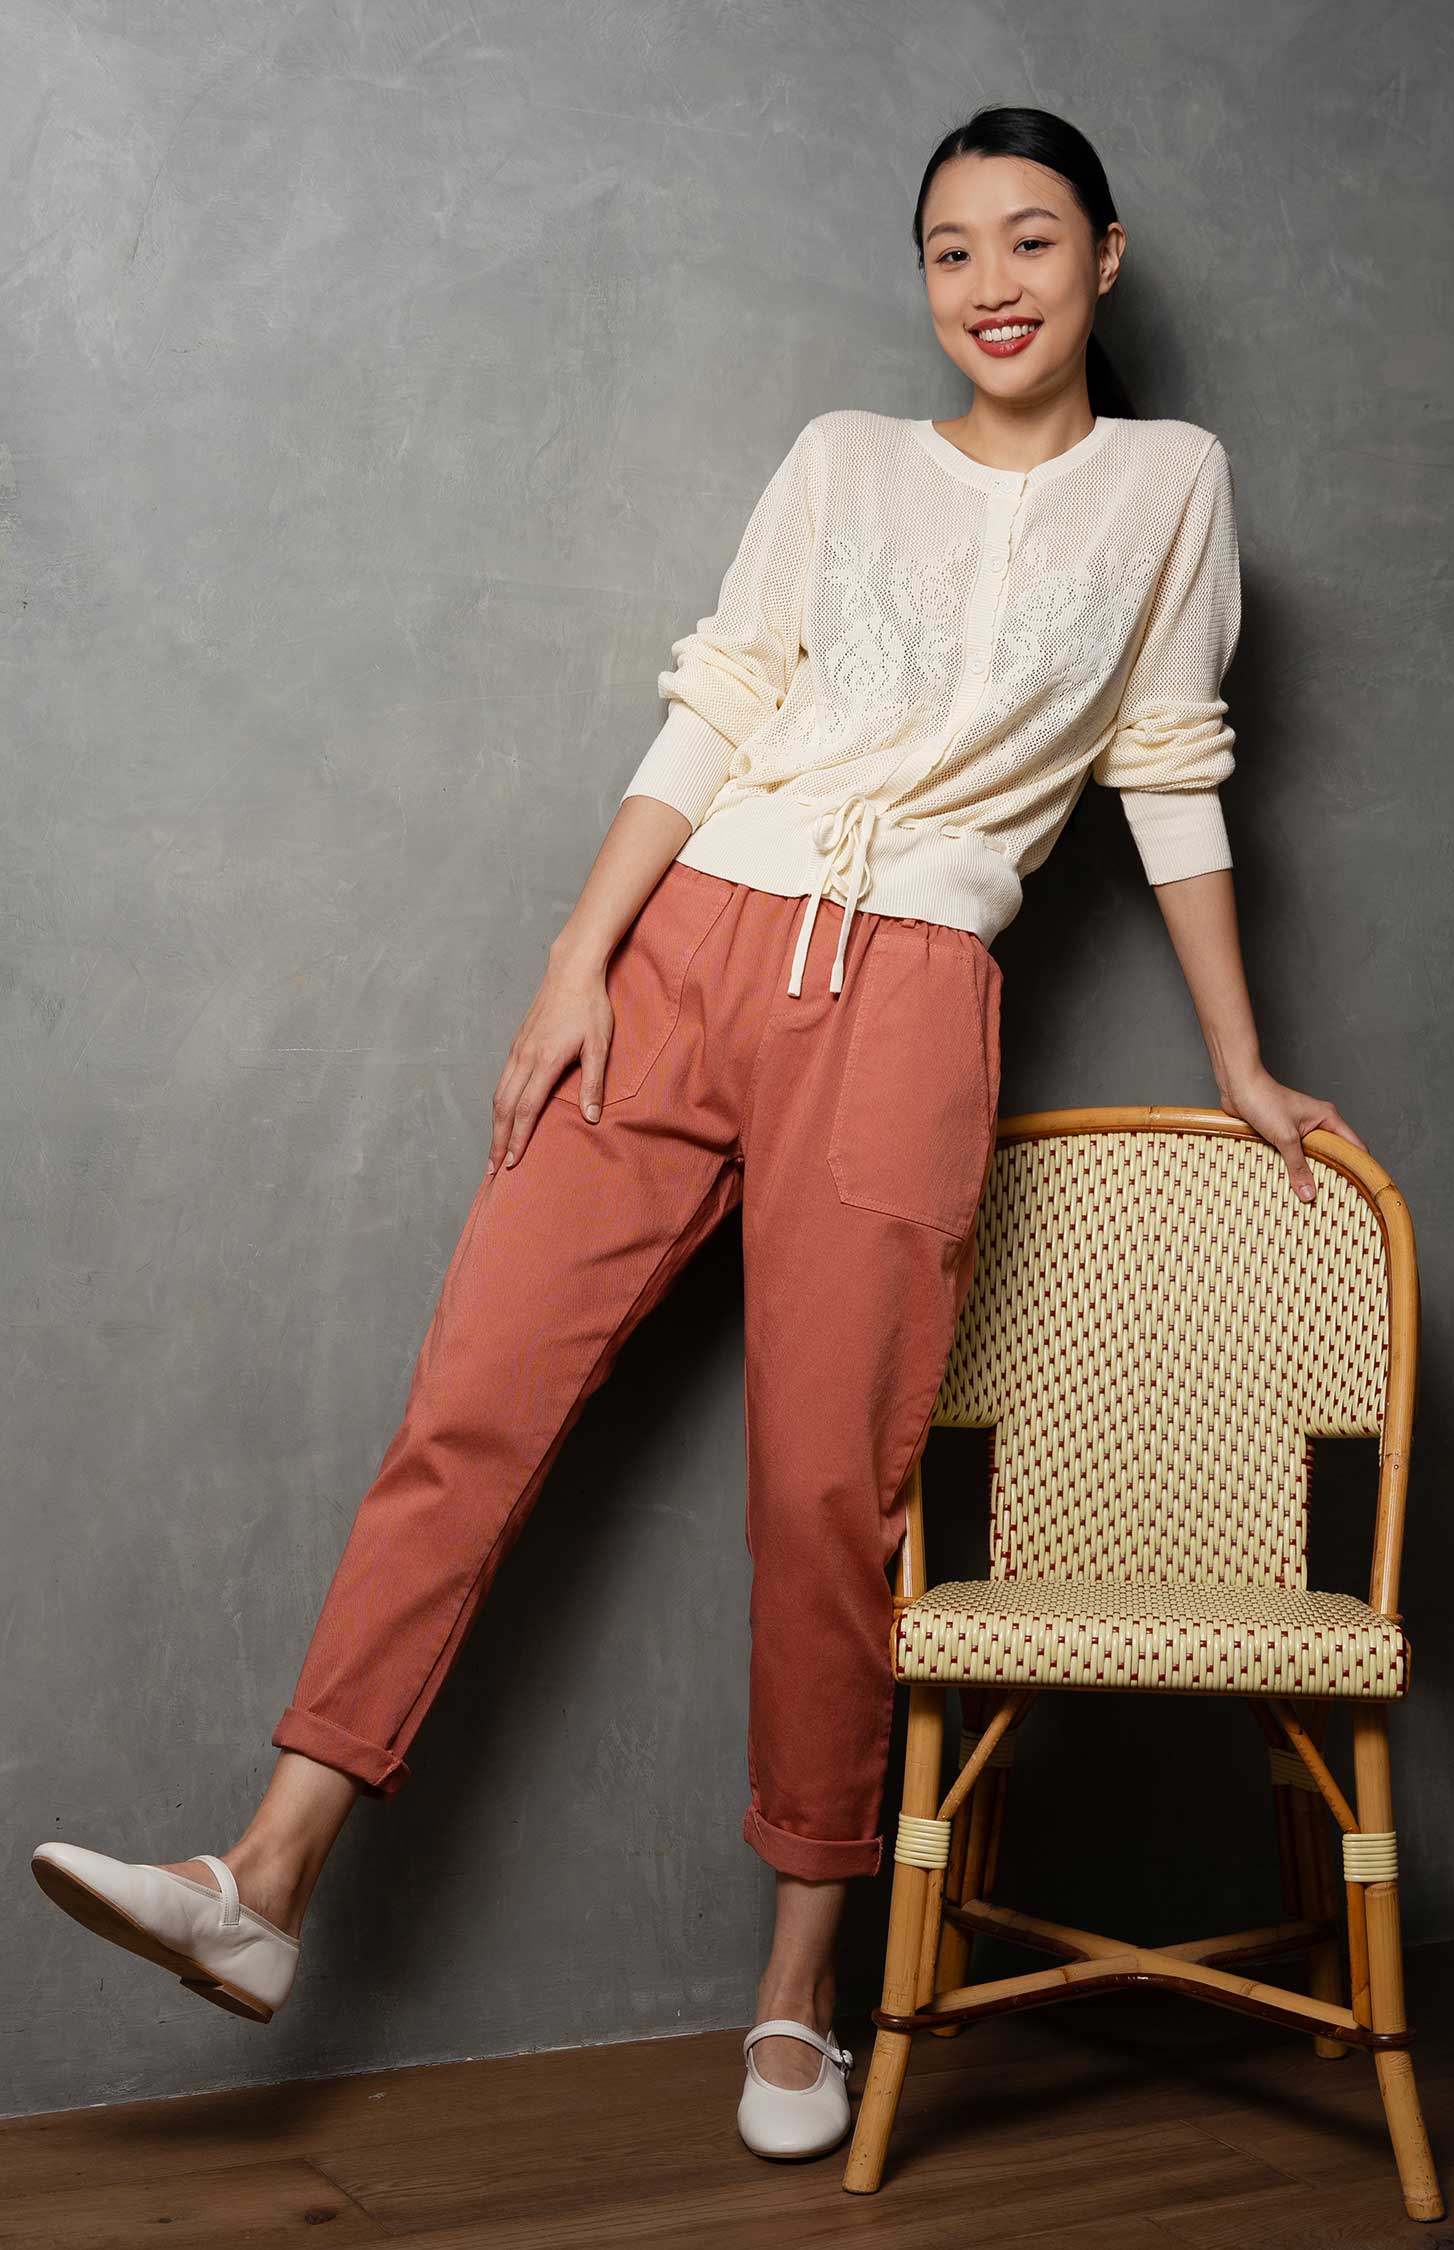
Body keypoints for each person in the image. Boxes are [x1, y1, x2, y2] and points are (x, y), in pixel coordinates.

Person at [32, 103, 1367, 2162]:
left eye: (1029, 239)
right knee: (468, 1408)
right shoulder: (839, 459)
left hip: (907, 1003)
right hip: (685, 957)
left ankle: (792, 1995)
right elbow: (721, 705)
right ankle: (263, 1878)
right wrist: (578, 960)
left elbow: (1167, 767)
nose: (989, 283)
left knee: (823, 1495)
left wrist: (1241, 1059)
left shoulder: (1168, 483)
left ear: (1103, 259)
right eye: (948, 249)